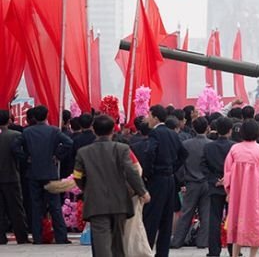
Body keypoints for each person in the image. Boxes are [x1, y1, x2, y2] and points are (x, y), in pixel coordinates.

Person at [73, 115, 150, 256]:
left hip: (96, 203)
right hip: (120, 202)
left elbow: (77, 177)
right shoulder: (122, 149)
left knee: (101, 244)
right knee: (118, 243)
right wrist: (142, 192)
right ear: (112, 131)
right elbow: (131, 172)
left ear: (94, 130)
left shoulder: (83, 152)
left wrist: (88, 188)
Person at [12, 105, 73, 244]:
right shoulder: (53, 131)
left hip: (33, 172)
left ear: (33, 117)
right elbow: (69, 142)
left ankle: (37, 237)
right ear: (47, 115)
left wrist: (25, 157)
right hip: (50, 172)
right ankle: (61, 237)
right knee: (55, 206)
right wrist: (57, 155)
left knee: (36, 206)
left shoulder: (27, 132)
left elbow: (14, 147)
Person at [142, 104, 188, 257]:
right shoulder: (172, 133)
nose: (147, 118)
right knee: (166, 220)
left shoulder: (155, 134)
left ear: (155, 117)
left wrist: (148, 173)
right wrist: (173, 168)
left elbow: (149, 153)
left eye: (149, 115)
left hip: (157, 180)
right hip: (170, 180)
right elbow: (183, 153)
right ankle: (162, 253)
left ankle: (146, 251)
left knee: (151, 218)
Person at [223, 120, 259, 257]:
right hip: (256, 195)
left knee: (237, 222)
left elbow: (227, 172)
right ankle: (252, 255)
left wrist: (228, 190)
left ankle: (234, 254)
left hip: (237, 193)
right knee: (256, 224)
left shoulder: (234, 149)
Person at [171, 117, 211, 249]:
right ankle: (203, 242)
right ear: (207, 128)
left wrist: (182, 180)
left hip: (191, 182)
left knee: (186, 213)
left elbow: (179, 165)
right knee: (206, 214)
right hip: (206, 183)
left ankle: (177, 241)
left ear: (193, 128)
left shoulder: (186, 144)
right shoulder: (210, 144)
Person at [203, 117, 234, 257]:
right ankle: (233, 250)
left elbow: (203, 166)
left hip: (215, 184)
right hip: (232, 187)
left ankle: (214, 251)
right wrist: (228, 179)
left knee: (214, 218)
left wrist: (215, 179)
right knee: (232, 218)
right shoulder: (234, 146)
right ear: (230, 130)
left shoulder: (209, 146)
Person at [0, 109, 29, 244]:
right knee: (16, 208)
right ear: (9, 120)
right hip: (11, 175)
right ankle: (21, 237)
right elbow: (21, 156)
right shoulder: (15, 135)